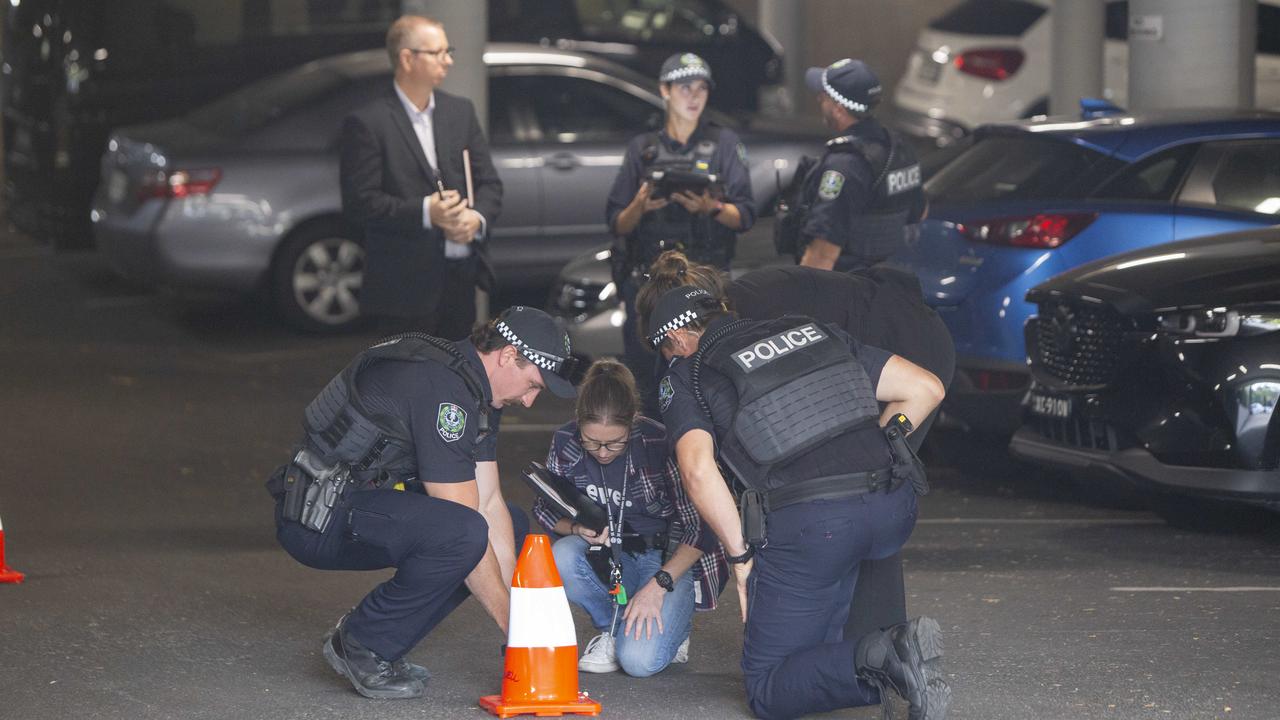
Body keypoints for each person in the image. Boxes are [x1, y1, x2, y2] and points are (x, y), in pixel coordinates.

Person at [640, 283, 951, 720]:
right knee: (818, 646)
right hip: (892, 504)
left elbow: (696, 469)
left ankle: (892, 653)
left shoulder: (688, 373)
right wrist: (880, 446)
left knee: (767, 689)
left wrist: (741, 559)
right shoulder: (811, 331)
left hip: (816, 526)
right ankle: (884, 662)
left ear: (675, 340)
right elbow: (926, 389)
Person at [267, 306, 576, 700]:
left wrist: (519, 608)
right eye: (533, 385)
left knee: (509, 523)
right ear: (507, 356)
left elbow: (490, 500)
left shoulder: (476, 388)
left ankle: (378, 644)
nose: (530, 401)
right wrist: (512, 625)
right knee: (462, 535)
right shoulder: (443, 390)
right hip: (316, 520)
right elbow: (466, 518)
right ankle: (362, 643)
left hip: (360, 504)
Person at [532, 359, 727, 677]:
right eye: (592, 442)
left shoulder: (658, 442)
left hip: (664, 559)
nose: (603, 452)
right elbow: (545, 508)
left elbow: (701, 528)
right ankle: (614, 630)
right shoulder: (566, 442)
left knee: (638, 663)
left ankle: (665, 628)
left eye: (615, 443)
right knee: (562, 554)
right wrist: (578, 528)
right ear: (578, 422)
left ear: (633, 422)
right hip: (608, 556)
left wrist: (658, 587)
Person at [605, 51, 756, 410]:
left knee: (708, 378)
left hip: (703, 283)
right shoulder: (643, 149)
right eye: (685, 87)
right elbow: (615, 222)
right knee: (647, 380)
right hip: (650, 283)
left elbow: (746, 215)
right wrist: (639, 207)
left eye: (701, 88)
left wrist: (713, 207)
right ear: (665, 90)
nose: (694, 96)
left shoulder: (724, 144)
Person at [340, 14, 503, 339]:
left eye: (449, 51)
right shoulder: (369, 122)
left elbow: (490, 184)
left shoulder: (459, 112)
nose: (448, 60)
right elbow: (360, 203)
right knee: (407, 382)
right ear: (407, 58)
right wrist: (427, 212)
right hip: (402, 287)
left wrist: (476, 219)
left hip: (459, 277)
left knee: (455, 378)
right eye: (438, 52)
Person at [792, 58, 925, 273]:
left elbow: (823, 255)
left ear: (837, 109)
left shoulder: (844, 166)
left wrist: (803, 303)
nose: (819, 99)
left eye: (823, 97)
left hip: (849, 291)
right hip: (892, 284)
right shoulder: (899, 149)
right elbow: (919, 212)